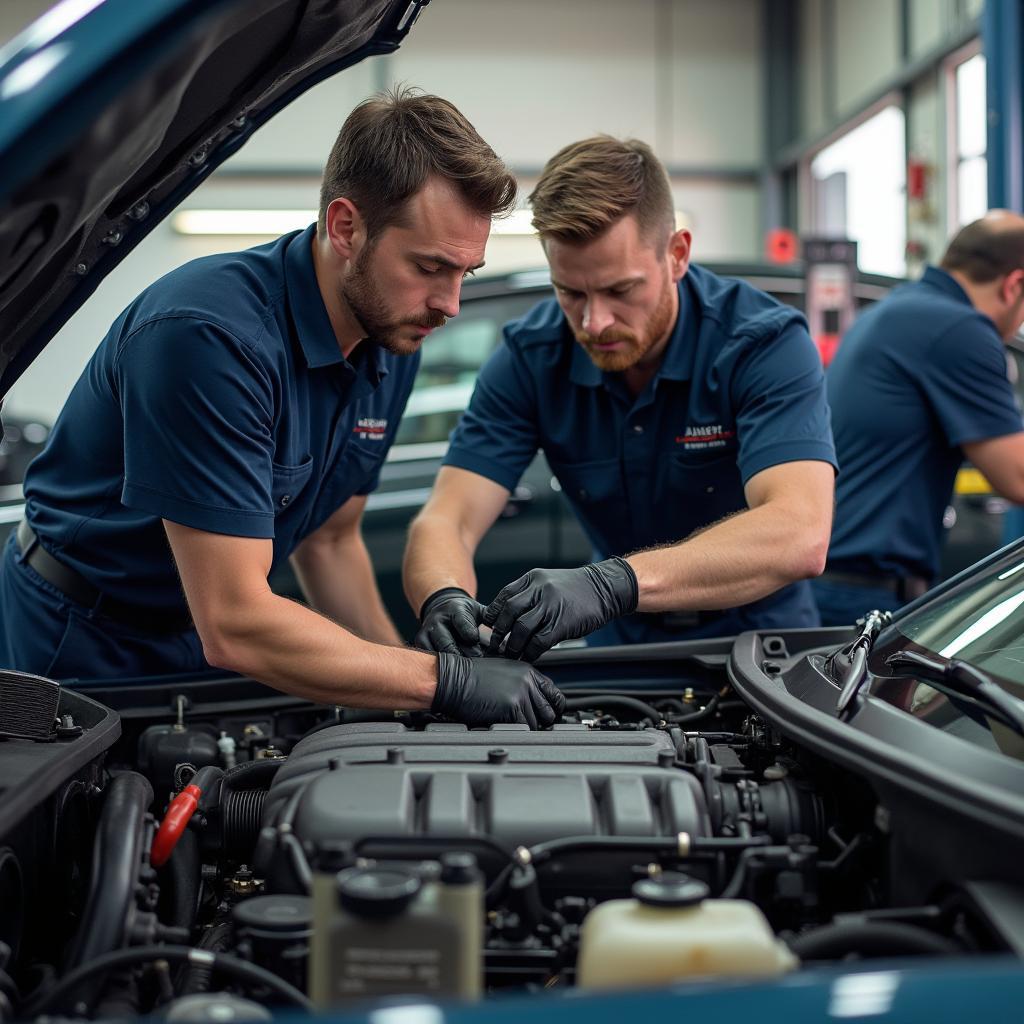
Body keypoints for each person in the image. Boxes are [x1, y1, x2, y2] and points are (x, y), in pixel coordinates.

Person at [0, 88, 565, 729]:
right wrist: (442, 681)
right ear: (346, 227)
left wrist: (412, 690)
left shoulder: (392, 333)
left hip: (199, 632)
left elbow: (330, 541)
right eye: (431, 266)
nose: (450, 304)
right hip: (81, 634)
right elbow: (237, 620)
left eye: (466, 272)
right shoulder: (209, 336)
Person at [403, 136, 836, 661]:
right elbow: (447, 518)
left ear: (677, 255)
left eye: (620, 290)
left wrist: (610, 585)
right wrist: (443, 595)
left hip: (760, 650)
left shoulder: (762, 345)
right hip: (621, 652)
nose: (594, 322)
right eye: (572, 293)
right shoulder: (531, 358)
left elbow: (800, 532)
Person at [813, 211, 1024, 626]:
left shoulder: (902, 309)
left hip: (833, 582)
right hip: (858, 595)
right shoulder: (958, 328)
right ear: (1013, 284)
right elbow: (1017, 476)